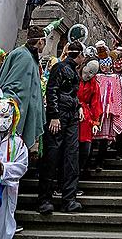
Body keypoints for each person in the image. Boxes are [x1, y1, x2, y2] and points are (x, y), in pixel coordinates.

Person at [38, 40, 84, 215]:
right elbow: (52, 90)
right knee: (52, 156)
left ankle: (69, 199)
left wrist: (78, 106)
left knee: (71, 156)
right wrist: (54, 115)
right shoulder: (60, 68)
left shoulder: (72, 70)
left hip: (71, 114)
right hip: (60, 115)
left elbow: (70, 93)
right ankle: (45, 199)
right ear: (78, 55)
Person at [0, 26, 46, 149]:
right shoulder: (25, 57)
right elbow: (16, 88)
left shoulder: (26, 54)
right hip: (16, 117)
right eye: (45, 41)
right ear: (40, 41)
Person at [0, 97, 28, 239]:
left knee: (3, 224)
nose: (3, 120)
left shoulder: (17, 142)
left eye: (6, 116)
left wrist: (2, 170)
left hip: (6, 191)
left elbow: (22, 166)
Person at [94, 45, 122, 169]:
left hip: (108, 112)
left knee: (104, 138)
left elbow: (117, 95)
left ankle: (100, 161)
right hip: (96, 110)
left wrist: (116, 111)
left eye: (106, 64)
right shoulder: (96, 77)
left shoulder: (115, 78)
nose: (104, 67)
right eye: (102, 64)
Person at [77, 57, 102, 177]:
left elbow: (96, 104)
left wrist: (95, 123)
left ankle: (81, 170)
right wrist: (77, 105)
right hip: (73, 115)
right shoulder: (74, 78)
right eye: (87, 71)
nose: (89, 75)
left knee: (85, 148)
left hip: (87, 119)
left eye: (93, 73)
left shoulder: (94, 84)